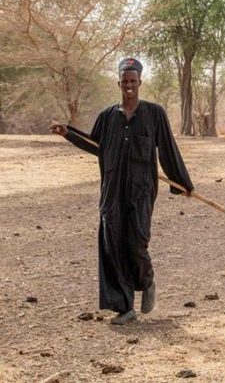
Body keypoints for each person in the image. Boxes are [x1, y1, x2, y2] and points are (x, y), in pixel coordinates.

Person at [49, 57, 194, 325]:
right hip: (112, 190)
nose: (129, 85)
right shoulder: (107, 116)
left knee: (137, 242)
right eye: (124, 81)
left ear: (140, 82)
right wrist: (68, 133)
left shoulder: (155, 114)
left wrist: (182, 182)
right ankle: (125, 307)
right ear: (119, 83)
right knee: (113, 244)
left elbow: (169, 149)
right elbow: (96, 146)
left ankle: (146, 281)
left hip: (141, 190)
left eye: (133, 81)